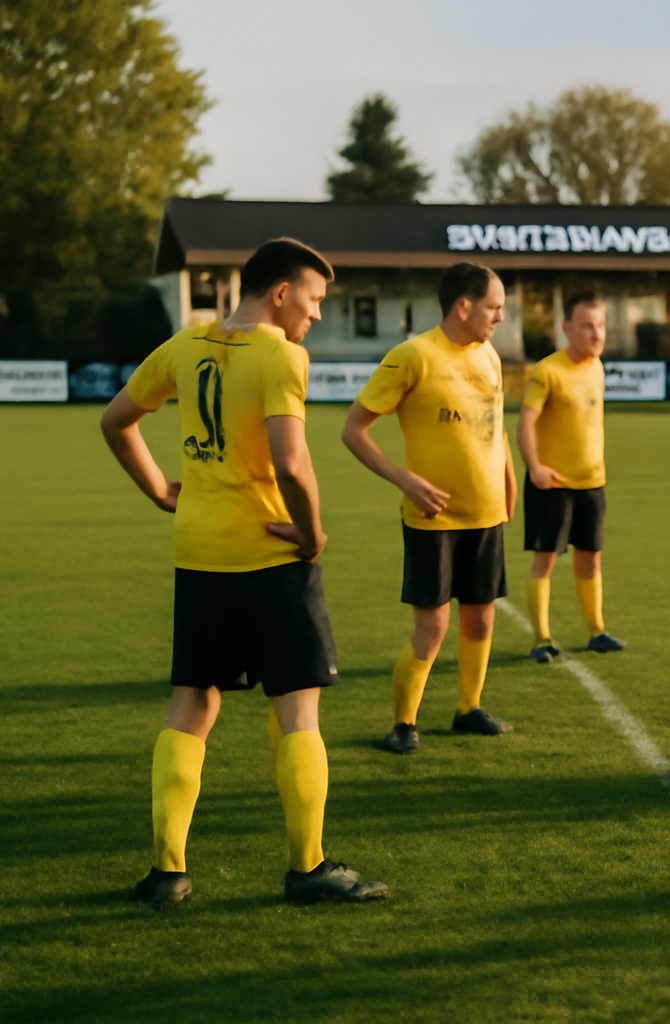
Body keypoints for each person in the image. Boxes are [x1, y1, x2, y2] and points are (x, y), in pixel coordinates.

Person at [102, 237, 388, 905]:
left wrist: (158, 490)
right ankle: (308, 867)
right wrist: (313, 535)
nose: (316, 316)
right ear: (280, 293)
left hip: (199, 551)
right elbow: (292, 463)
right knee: (297, 713)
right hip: (269, 554)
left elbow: (117, 421)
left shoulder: (183, 346)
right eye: (314, 301)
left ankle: (168, 871)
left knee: (190, 709)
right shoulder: (282, 356)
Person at [342, 263, 519, 754]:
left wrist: (508, 478)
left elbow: (495, 423)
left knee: (481, 616)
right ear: (464, 306)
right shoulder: (411, 356)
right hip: (432, 517)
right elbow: (353, 430)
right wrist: (404, 478)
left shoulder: (490, 356)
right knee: (434, 624)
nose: (500, 317)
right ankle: (404, 723)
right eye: (493, 307)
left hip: (486, 515)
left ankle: (468, 709)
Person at [517, 290, 624, 661]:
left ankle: (597, 631)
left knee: (590, 557)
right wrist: (535, 467)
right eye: (587, 326)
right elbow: (525, 423)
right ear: (566, 328)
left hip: (593, 482)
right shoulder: (547, 371)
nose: (597, 335)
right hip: (553, 484)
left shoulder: (597, 366)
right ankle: (541, 639)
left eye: (601, 326)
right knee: (545, 559)